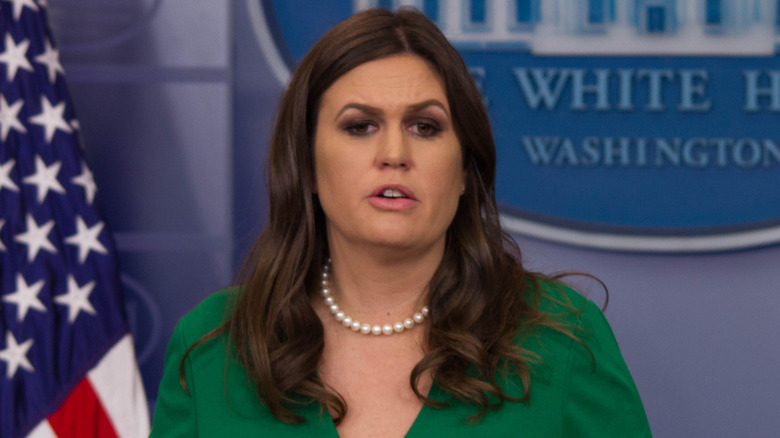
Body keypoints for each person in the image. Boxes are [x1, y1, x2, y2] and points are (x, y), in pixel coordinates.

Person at [150, 8, 651, 437]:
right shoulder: (215, 344)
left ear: (463, 170)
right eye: (360, 126)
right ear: (306, 165)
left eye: (425, 126)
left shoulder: (562, 340)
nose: (394, 153)